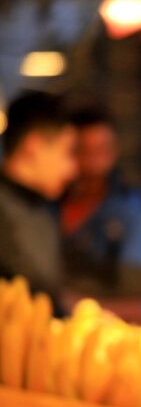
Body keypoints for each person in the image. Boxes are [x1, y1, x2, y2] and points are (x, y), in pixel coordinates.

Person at [59, 105, 141, 299]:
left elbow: (138, 278)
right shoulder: (48, 205)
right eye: (85, 151)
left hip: (110, 319)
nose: (95, 162)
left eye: (103, 150)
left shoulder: (128, 206)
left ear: (115, 151)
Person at [0, 90, 77, 312]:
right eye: (67, 152)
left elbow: (81, 273)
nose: (72, 169)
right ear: (33, 147)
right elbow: (44, 290)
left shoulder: (44, 207)